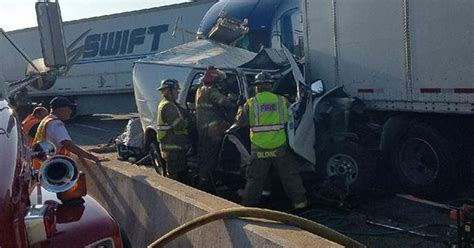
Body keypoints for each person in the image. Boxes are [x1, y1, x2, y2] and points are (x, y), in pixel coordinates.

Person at [233, 71, 308, 209]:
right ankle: (300, 204)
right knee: (290, 176)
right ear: (271, 85)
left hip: (259, 149)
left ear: (257, 87)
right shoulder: (281, 101)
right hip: (279, 148)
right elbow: (294, 116)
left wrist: (239, 106)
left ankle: (249, 208)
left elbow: (240, 122)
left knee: (255, 180)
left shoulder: (250, 103)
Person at [32, 97, 108, 169]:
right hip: (53, 165)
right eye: (69, 108)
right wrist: (93, 157)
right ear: (61, 109)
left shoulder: (46, 120)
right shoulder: (56, 124)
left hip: (41, 163)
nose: (71, 111)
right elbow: (69, 145)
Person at [195, 66, 236, 191]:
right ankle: (206, 183)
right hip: (212, 131)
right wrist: (233, 99)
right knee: (211, 157)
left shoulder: (200, 90)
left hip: (203, 129)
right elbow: (225, 102)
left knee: (204, 156)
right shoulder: (211, 91)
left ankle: (203, 178)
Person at [156, 79, 190, 183]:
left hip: (174, 147)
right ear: (169, 91)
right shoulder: (168, 106)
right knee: (173, 176)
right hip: (172, 148)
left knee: (178, 173)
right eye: (176, 90)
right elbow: (178, 125)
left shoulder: (171, 104)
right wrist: (189, 122)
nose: (178, 92)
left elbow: (182, 112)